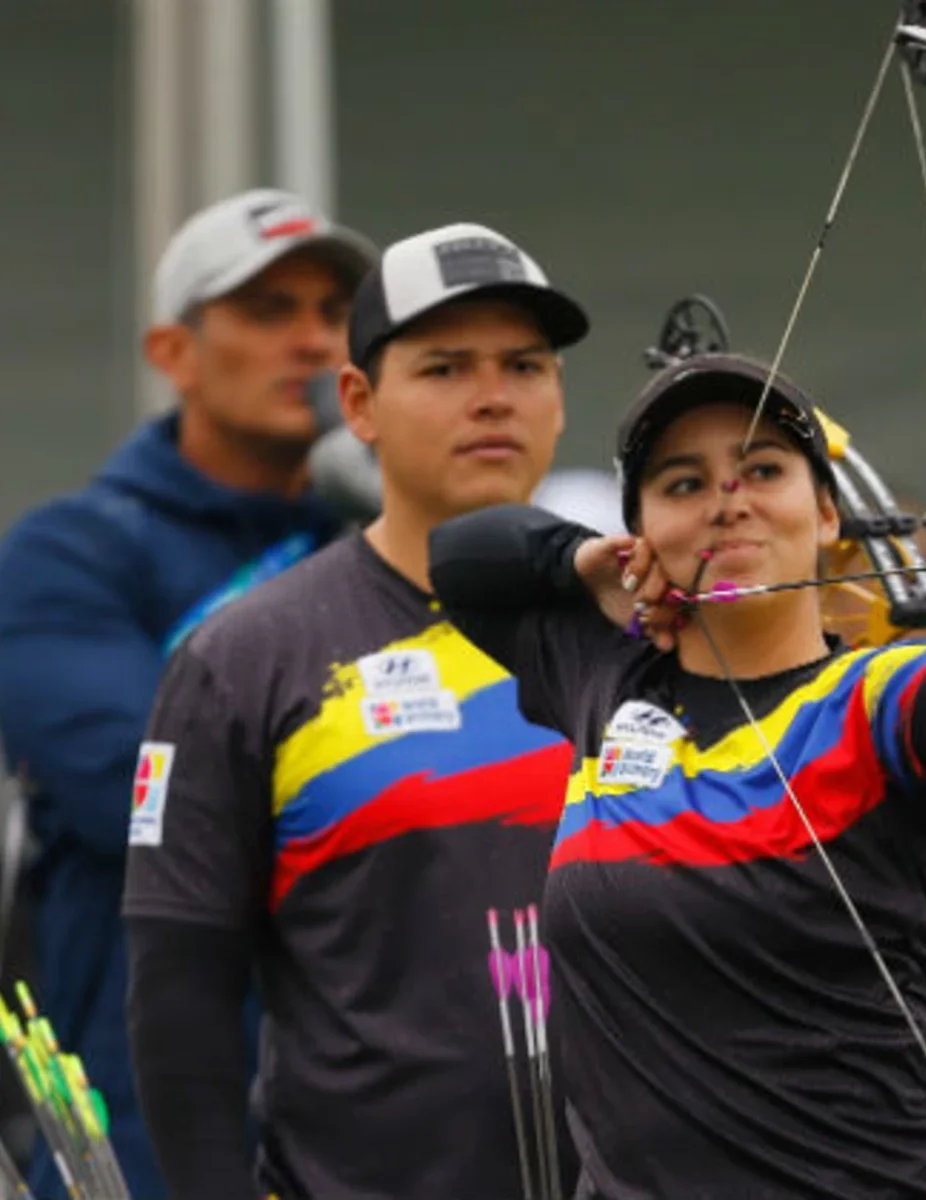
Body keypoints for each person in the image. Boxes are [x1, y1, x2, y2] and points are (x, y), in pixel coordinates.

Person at [428, 353, 926, 1199]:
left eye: (762, 469)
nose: (728, 500)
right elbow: (460, 559)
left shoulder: (878, 702)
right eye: (683, 485)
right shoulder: (605, 683)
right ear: (639, 532)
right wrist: (584, 564)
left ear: (827, 515)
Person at [122, 222, 589, 1200]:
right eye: (445, 368)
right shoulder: (244, 655)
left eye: (525, 364)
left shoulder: (651, 623)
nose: (493, 396)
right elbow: (180, 994)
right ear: (359, 405)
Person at [0, 188, 375, 1198]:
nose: (309, 342)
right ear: (172, 352)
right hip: (147, 1130)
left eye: (334, 313)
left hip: (378, 1121)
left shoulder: (398, 547)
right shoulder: (63, 556)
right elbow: (160, 808)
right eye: (265, 312)